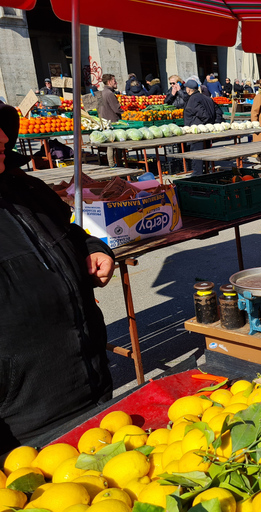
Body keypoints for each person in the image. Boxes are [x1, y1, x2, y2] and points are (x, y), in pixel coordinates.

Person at [0, 101, 115, 453]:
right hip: (23, 428)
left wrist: (95, 247)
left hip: (92, 389)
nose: (4, 137)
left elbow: (70, 231)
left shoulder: (26, 189)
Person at [183, 79, 219, 175]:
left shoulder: (193, 99)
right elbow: (216, 111)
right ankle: (205, 172)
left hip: (197, 132)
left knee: (197, 154)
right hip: (205, 130)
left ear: (189, 90)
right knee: (205, 154)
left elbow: (204, 115)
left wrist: (203, 124)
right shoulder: (206, 97)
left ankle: (197, 175)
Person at [96, 74, 122, 167]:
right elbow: (116, 109)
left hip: (105, 121)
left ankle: (112, 163)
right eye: (114, 81)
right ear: (109, 82)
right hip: (112, 121)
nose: (116, 83)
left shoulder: (101, 93)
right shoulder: (110, 94)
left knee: (110, 144)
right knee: (114, 144)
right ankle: (114, 163)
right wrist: (125, 112)